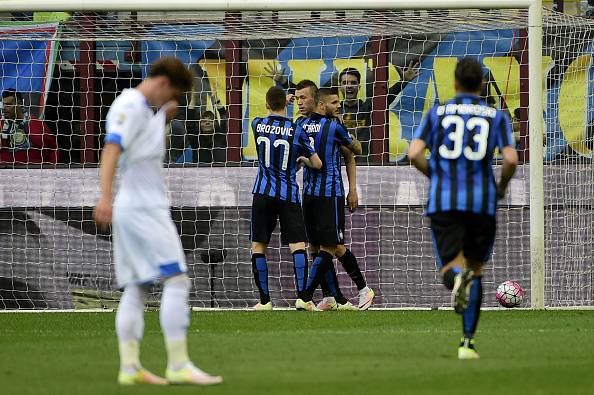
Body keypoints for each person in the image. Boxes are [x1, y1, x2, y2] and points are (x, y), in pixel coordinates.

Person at [93, 57, 222, 385]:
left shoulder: (144, 111)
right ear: (164, 83)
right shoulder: (132, 105)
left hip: (136, 208)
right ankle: (178, 363)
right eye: (173, 95)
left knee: (136, 288)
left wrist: (161, 118)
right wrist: (104, 196)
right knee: (177, 281)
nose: (171, 102)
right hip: (143, 211)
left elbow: (136, 149)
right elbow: (111, 149)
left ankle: (130, 368)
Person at [408, 57, 518, 359]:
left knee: (452, 268)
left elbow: (414, 152)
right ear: (482, 84)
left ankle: (456, 279)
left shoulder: (437, 113)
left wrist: (436, 174)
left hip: (444, 200)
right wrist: (502, 188)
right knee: (476, 270)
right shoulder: (495, 116)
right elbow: (510, 158)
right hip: (482, 202)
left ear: (454, 83)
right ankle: (467, 344)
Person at [294, 80, 375, 311]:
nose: (339, 106)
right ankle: (332, 297)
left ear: (313, 101)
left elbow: (351, 156)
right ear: (321, 104)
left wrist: (353, 188)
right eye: (335, 102)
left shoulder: (332, 126)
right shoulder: (304, 124)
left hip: (330, 193)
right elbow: (356, 149)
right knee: (320, 247)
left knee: (331, 246)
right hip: (310, 193)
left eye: (302, 98)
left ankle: (308, 295)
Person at [249, 86, 322, 311]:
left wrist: (281, 101)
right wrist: (302, 161)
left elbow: (270, 113)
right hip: (288, 194)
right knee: (297, 245)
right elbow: (318, 164)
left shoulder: (256, 124)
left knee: (258, 246)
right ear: (287, 103)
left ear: (267, 104)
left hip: (262, 192)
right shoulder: (296, 129)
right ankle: (303, 298)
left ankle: (264, 301)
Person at [338, 64, 419, 162]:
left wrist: (403, 81)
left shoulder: (368, 107)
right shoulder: (334, 112)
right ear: (340, 87)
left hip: (365, 165)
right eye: (345, 83)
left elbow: (386, 98)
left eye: (353, 82)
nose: (349, 86)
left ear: (359, 86)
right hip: (340, 166)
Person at [0, 89, 59, 164]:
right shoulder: (1, 125)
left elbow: (53, 148)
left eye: (8, 105)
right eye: (3, 105)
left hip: (35, 171)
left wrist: (52, 169)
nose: (3, 109)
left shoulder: (37, 124)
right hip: (6, 172)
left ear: (19, 104)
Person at [168, 93, 227, 164]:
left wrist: (216, 100)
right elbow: (189, 121)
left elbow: (225, 118)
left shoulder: (221, 137)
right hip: (200, 173)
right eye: (204, 121)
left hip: (220, 172)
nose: (207, 123)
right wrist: (193, 99)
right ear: (200, 124)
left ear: (215, 124)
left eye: (210, 121)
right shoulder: (196, 140)